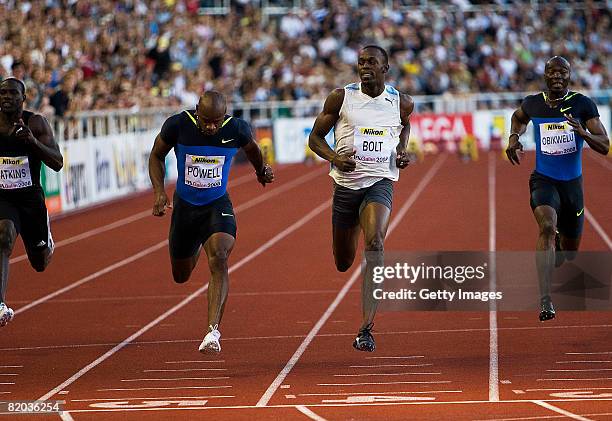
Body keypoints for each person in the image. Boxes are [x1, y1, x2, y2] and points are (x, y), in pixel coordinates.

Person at [148, 90, 274, 353]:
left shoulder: (236, 128)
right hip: (185, 208)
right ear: (197, 111)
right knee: (180, 275)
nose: (211, 126)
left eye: (216, 121)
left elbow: (252, 149)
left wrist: (261, 170)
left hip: (217, 204)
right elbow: (156, 155)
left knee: (219, 256)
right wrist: (160, 191)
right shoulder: (178, 125)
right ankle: (194, 243)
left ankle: (212, 332)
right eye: (206, 120)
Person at [308, 46, 414, 352]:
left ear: (386, 68)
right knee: (343, 261)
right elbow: (314, 138)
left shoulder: (401, 102)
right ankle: (350, 231)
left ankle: (366, 329)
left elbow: (404, 127)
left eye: (372, 63)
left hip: (379, 183)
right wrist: (334, 158)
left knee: (376, 245)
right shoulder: (340, 98)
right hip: (345, 186)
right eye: (361, 62)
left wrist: (401, 150)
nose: (365, 67)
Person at [506, 56, 609, 321]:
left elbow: (605, 144)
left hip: (572, 186)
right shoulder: (533, 103)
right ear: (545, 75)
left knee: (570, 252)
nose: (557, 76)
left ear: (569, 75)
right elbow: (518, 118)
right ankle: (545, 299)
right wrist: (514, 138)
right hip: (544, 179)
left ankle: (561, 245)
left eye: (562, 72)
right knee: (547, 227)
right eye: (552, 72)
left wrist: (583, 133)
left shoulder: (582, 104)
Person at [0, 78, 63, 327]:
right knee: (3, 236)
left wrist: (32, 142)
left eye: (12, 93)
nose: (6, 97)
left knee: (40, 262)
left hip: (30, 199)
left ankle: (45, 241)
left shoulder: (35, 122)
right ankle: (0, 304)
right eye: (2, 93)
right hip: (3, 197)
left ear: (23, 98)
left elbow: (57, 162)